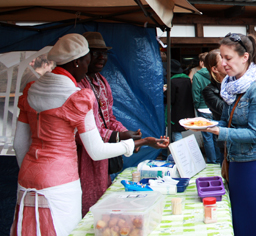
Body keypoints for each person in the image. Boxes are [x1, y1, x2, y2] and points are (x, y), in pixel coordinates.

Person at [11, 34, 168, 236]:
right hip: (60, 179)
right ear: (77, 62)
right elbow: (96, 150)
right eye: (88, 58)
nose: (90, 64)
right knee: (66, 229)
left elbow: (19, 144)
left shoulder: (32, 89)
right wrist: (140, 142)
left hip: (27, 177)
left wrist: (33, 169)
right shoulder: (76, 95)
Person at [201, 33, 256, 236]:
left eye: (228, 58)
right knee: (241, 222)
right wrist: (207, 125)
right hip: (237, 162)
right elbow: (229, 122)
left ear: (245, 57)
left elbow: (254, 134)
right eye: (222, 58)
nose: (223, 64)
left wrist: (219, 131)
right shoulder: (232, 85)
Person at [76, 32, 153, 215]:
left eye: (104, 53)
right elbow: (85, 128)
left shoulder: (101, 82)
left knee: (102, 190)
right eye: (96, 53)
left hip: (103, 151)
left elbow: (109, 118)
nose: (102, 57)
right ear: (83, 57)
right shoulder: (78, 86)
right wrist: (121, 137)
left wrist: (127, 133)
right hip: (83, 152)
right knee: (86, 196)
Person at [192, 53, 219, 163]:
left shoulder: (197, 76)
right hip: (216, 108)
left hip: (203, 109)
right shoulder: (216, 73)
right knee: (217, 134)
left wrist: (197, 105)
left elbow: (195, 92)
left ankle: (211, 161)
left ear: (201, 63)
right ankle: (219, 159)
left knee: (207, 137)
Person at [201, 49, 227, 162]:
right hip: (226, 140)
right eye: (223, 59)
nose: (227, 62)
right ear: (215, 69)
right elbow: (226, 111)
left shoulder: (238, 83)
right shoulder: (209, 91)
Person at [168, 59, 194, 143]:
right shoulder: (187, 80)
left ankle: (179, 153)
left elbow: (171, 99)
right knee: (177, 131)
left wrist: (165, 92)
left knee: (176, 132)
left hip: (176, 111)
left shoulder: (172, 81)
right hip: (187, 109)